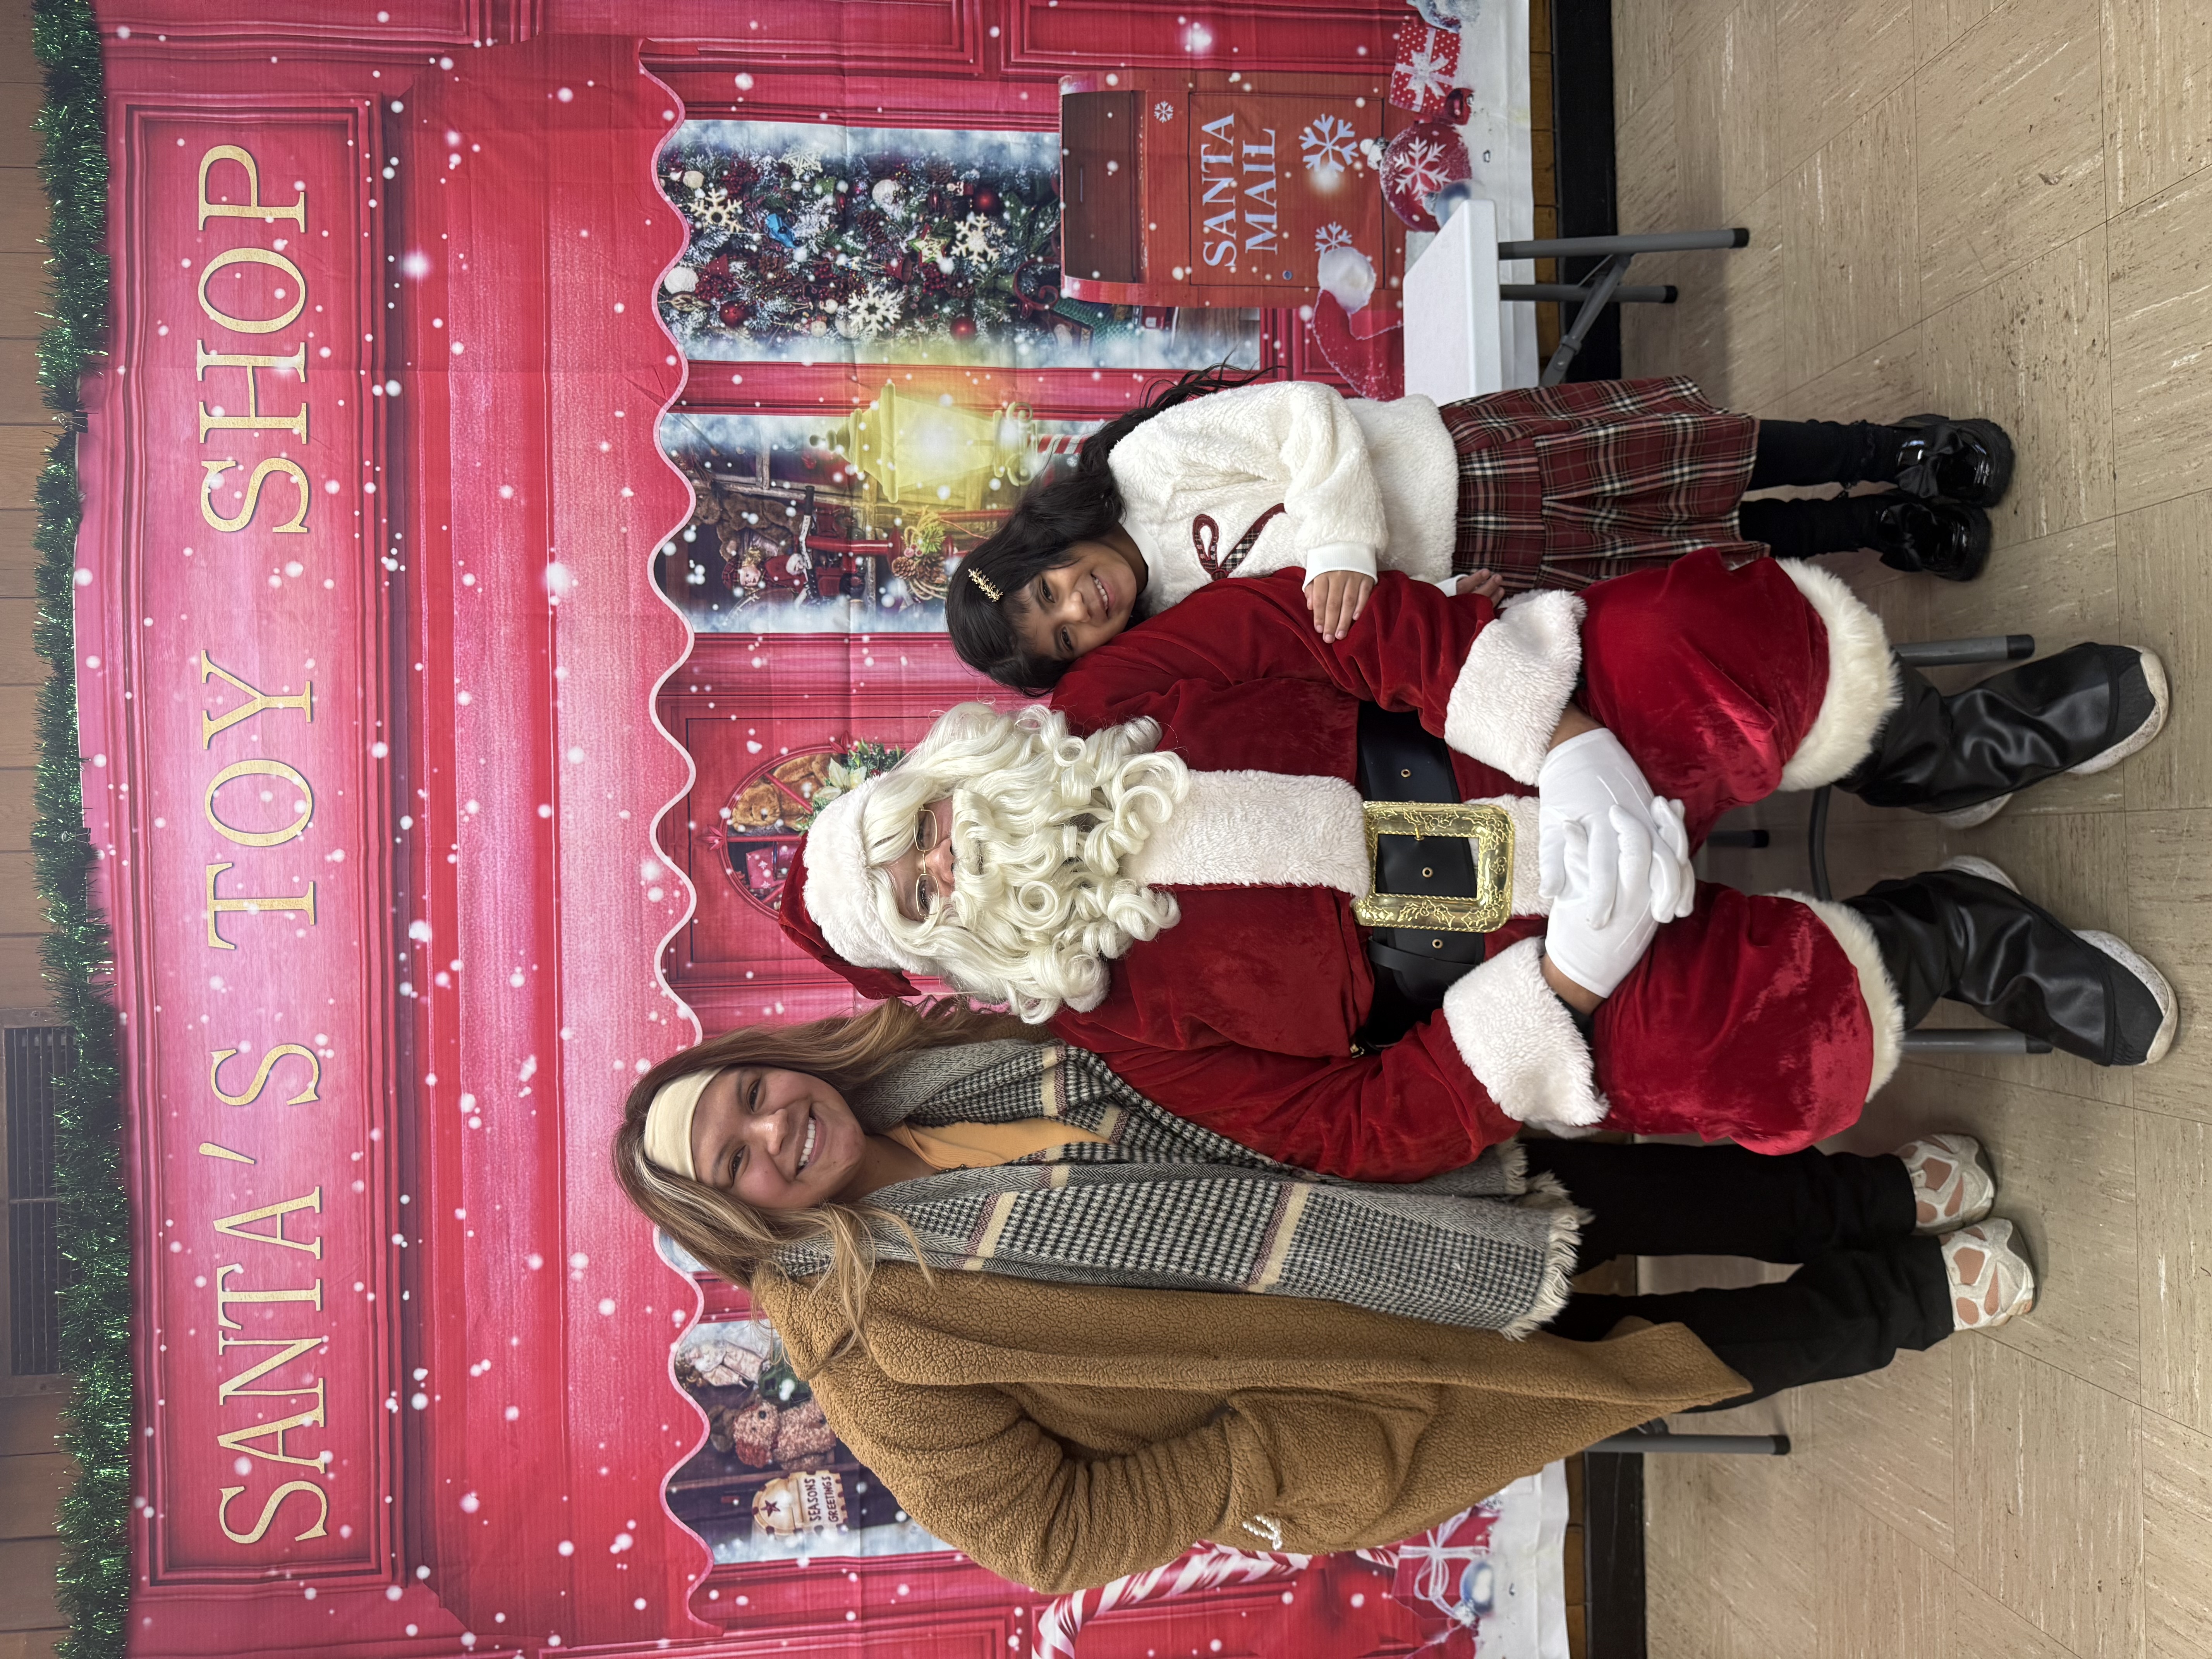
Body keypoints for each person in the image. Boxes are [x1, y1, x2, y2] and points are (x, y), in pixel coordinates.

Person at [778, 553, 2173, 1166]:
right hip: (1518, 967)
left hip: (1501, 739)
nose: (949, 860)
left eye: (916, 828)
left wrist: (1561, 738)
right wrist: (1560, 989)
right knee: (1758, 1050)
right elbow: (1345, 1128)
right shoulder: (1115, 1018)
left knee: (1712, 643)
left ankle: (1932, 753)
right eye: (917, 896)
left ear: (935, 775)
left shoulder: (1104, 704)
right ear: (942, 951)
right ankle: (1952, 936)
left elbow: (1326, 624)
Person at [612, 1000, 2033, 1592]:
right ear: (736, 1219)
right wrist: (1253, 1457)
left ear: (771, 1057)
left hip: (1384, 1173)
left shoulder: (930, 1052)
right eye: (735, 1162)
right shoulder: (871, 1348)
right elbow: (1044, 1537)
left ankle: (1875, 1200)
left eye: (747, 1094)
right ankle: (1904, 1302)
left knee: (1657, 1195)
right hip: (1340, 1373)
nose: (770, 1130)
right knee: (1659, 1356)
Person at [945, 367, 2014, 689]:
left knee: (1708, 452)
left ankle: (1892, 451)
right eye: (1066, 639)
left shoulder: (1144, 467)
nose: (1081, 608)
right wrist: (1440, 609)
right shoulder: (1179, 627)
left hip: (1474, 462)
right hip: (1488, 559)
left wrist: (1341, 550)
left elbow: (1303, 414)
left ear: (1040, 550)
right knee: (1695, 547)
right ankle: (1880, 526)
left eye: (1049, 592)